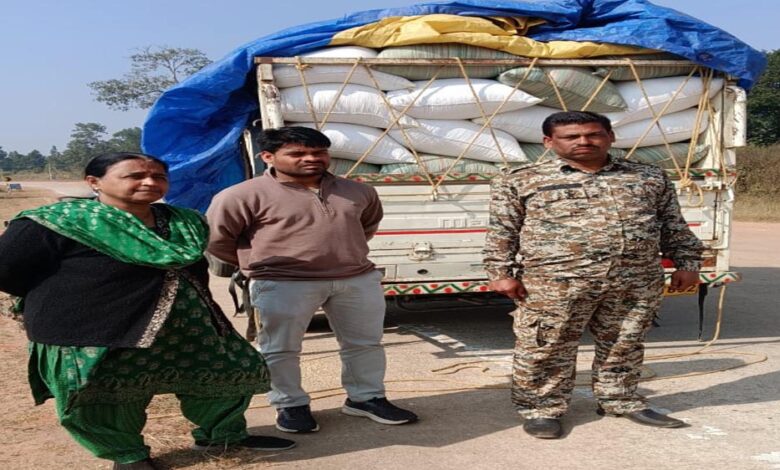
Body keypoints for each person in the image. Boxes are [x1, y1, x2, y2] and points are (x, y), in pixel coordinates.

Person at [0, 152, 295, 470]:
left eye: (158, 177)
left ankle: (221, 436)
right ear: (94, 182)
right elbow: (7, 271)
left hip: (189, 325)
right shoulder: (57, 222)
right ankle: (127, 456)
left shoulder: (185, 221)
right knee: (104, 392)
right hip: (97, 329)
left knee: (231, 372)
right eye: (135, 176)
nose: (150, 182)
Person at [483, 111, 704, 439]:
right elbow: (503, 230)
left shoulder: (648, 176)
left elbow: (672, 224)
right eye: (571, 137)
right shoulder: (520, 179)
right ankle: (542, 409)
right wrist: (500, 272)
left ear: (610, 137)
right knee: (547, 345)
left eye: (593, 134)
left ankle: (620, 399)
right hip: (555, 283)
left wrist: (688, 263)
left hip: (635, 280)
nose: (584, 141)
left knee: (625, 342)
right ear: (549, 142)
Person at [206, 126, 417, 434]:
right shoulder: (241, 196)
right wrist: (258, 265)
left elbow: (366, 226)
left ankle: (366, 398)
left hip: (355, 279)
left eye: (319, 152)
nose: (311, 159)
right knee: (280, 348)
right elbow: (217, 240)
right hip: (282, 282)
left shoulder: (357, 191)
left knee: (365, 344)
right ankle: (290, 404)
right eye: (298, 153)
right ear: (268, 157)